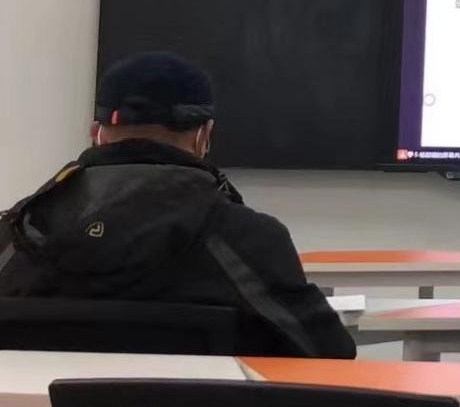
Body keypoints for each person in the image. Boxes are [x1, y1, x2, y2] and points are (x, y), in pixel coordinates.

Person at [0, 51, 355, 359]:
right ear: (204, 136)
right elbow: (329, 352)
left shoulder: (17, 232)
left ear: (97, 133)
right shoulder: (248, 238)